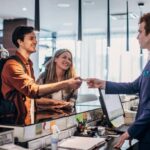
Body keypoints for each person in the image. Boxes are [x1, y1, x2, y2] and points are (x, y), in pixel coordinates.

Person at [86, 12, 150, 150]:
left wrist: (130, 131)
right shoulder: (149, 64)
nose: (137, 36)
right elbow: (134, 86)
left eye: (140, 31)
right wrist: (102, 84)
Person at [1, 26, 82, 125]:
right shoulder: (12, 65)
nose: (35, 41)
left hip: (26, 120)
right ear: (20, 42)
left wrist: (58, 103)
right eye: (31, 38)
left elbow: (32, 99)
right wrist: (67, 83)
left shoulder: (28, 64)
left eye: (35, 38)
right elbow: (32, 91)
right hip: (12, 122)